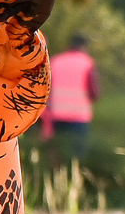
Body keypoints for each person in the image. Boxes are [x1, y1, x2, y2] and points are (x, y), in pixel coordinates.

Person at [41, 32, 97, 160]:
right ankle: (75, 175)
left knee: (56, 151)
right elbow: (94, 92)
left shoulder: (56, 61)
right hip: (79, 116)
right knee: (77, 153)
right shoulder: (88, 63)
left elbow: (46, 87)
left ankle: (55, 174)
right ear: (84, 46)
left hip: (56, 114)